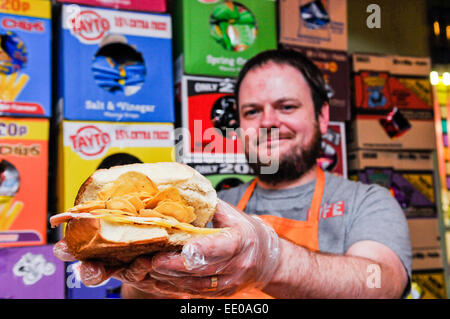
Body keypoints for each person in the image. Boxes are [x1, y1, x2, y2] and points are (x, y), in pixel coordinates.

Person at [54, 49, 412, 299]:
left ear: (321, 117)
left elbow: (383, 284)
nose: (269, 122)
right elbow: (136, 297)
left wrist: (270, 260)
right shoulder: (211, 206)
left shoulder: (367, 201)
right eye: (253, 111)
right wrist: (146, 277)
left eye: (287, 107)